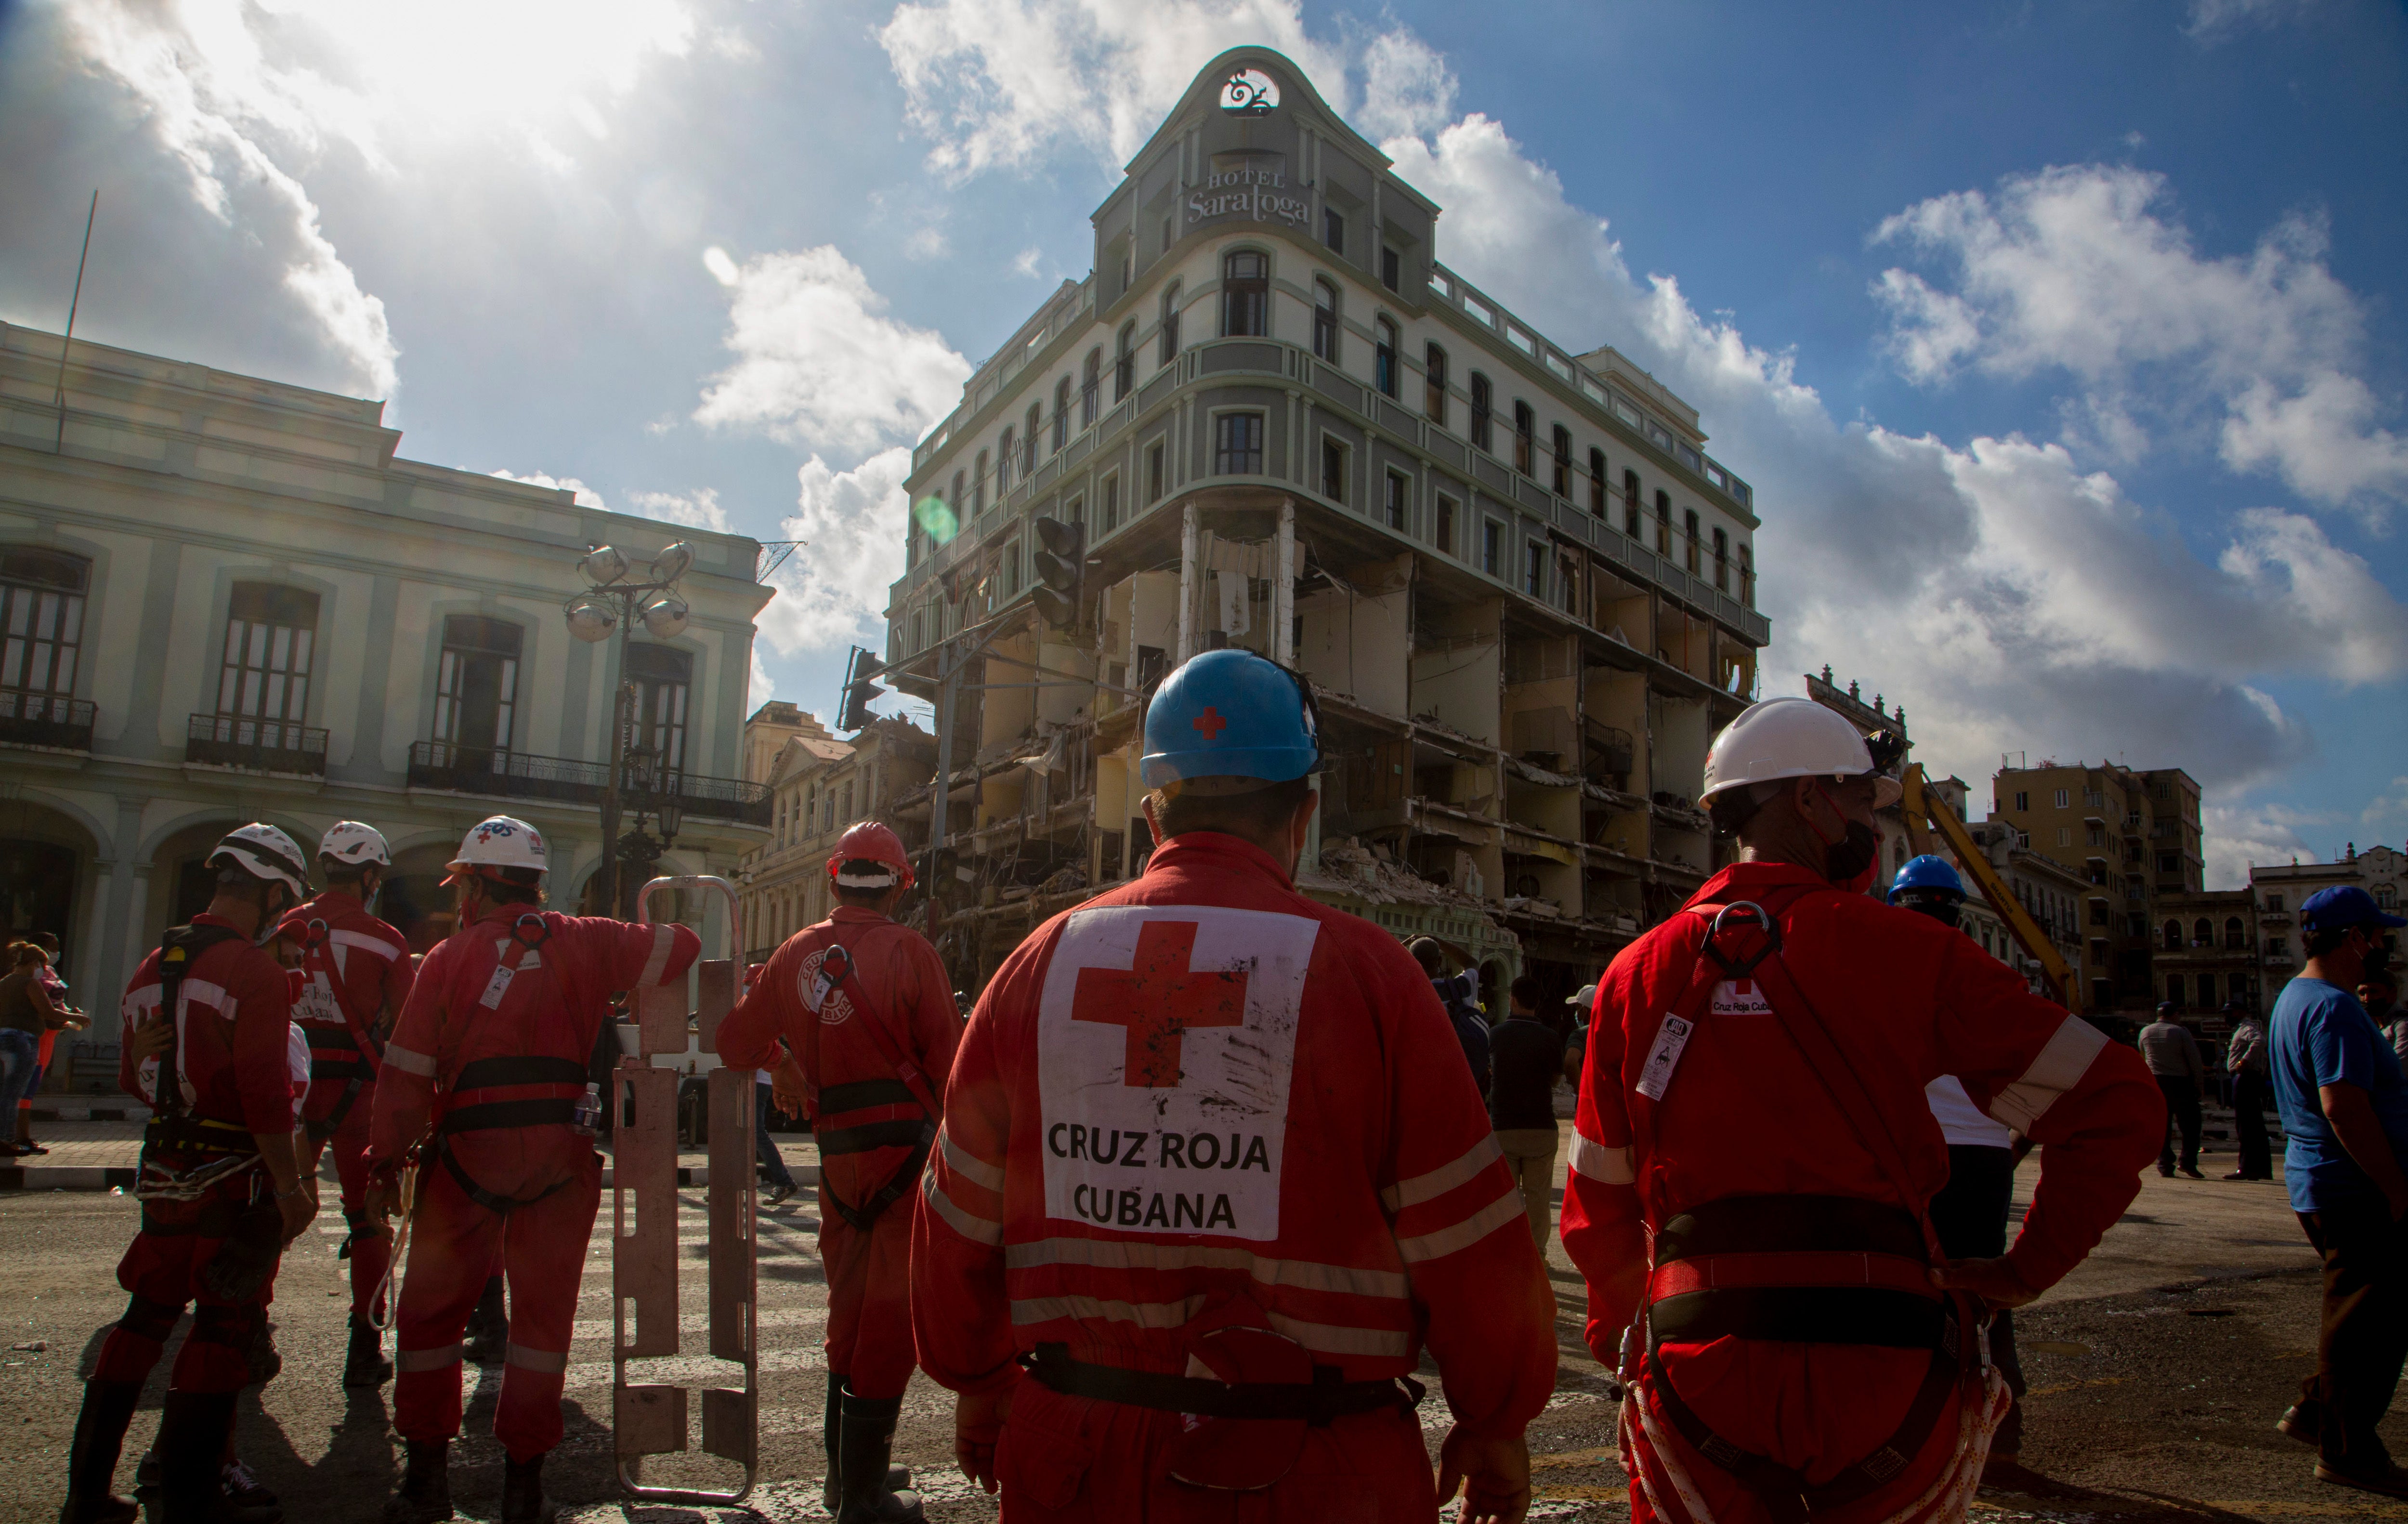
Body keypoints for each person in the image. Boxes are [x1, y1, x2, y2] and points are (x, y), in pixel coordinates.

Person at [915, 649, 1557, 1524]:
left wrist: (980, 1375)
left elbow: (957, 1212)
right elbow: (1466, 1237)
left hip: (1075, 1451)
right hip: (1313, 1466)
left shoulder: (1035, 965)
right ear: (1305, 813)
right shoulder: (1371, 975)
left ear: (1151, 812)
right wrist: (1495, 1417)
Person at [1561, 698, 2160, 1524]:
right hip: (1890, 1369)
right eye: (1859, 802)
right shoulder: (1911, 953)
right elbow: (2116, 1102)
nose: (1866, 825)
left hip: (1700, 1365)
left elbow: (1598, 1200)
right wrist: (2026, 1269)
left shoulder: (1634, 975)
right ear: (1810, 799)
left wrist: (1631, 1338)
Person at [365, 815, 699, 1524]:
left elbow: (404, 1078)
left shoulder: (448, 960)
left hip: (464, 1160)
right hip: (559, 1162)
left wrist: (383, 1165)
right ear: (535, 884)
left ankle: (426, 1483)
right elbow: (683, 947)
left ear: (475, 887)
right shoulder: (585, 940)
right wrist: (619, 941)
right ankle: (525, 1490)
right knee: (540, 1329)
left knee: (429, 1323)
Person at [60, 825, 320, 1524]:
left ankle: (87, 1494)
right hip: (230, 1177)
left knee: (144, 1317)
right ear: (270, 893)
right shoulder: (253, 972)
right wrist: (292, 1187)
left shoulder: (155, 965)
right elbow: (265, 1093)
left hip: (163, 1170)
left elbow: (135, 1078)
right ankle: (192, 1495)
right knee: (221, 1325)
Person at [717, 819, 957, 1523]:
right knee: (889, 1321)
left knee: (848, 1312)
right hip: (906, 1159)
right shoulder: (912, 953)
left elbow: (735, 1041)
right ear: (900, 886)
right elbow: (954, 1070)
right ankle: (862, 1498)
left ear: (833, 879)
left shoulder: (795, 951)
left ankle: (842, 1477)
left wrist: (782, 1062)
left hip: (837, 1162)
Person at [1888, 854, 2030, 1469]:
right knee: (1981, 1290)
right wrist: (2005, 1146)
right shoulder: (1989, 973)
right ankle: (2002, 1427)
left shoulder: (1878, 973)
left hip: (1913, 1151)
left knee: (1909, 1289)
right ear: (1957, 913)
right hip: (1985, 1154)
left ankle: (1916, 1434)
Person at [2266, 884, 2408, 1498]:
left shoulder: (2294, 998)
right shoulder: (2334, 1007)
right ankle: (2347, 1451)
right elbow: (2343, 1105)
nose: (2382, 944)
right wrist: (2395, 1186)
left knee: (2359, 1316)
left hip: (2321, 1181)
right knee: (2370, 1326)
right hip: (2353, 1186)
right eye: (2377, 935)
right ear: (2353, 938)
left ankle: (2317, 1411)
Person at [275, 821, 416, 1389]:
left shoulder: (282, 926)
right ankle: (365, 1343)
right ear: (369, 876)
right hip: (358, 1089)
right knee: (367, 1217)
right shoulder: (385, 938)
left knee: (273, 1211)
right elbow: (407, 1026)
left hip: (290, 1090)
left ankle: (249, 1331)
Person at [1490, 975, 1568, 1251]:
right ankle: (1538, 1256)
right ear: (1537, 1003)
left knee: (1505, 1198)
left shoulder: (1496, 1035)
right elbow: (1556, 1078)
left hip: (1504, 1129)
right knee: (1538, 1198)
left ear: (1512, 1000)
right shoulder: (1550, 1037)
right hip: (1541, 1130)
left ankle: (1509, 1254)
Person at [0, 940, 65, 1152]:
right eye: (42, 966)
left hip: (5, 1038)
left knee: (6, 1091)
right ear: (34, 963)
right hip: (23, 1041)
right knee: (14, 1093)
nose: (43, 970)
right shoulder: (30, 983)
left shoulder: (5, 982)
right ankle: (6, 1140)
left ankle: (7, 1138)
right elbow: (48, 1012)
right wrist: (76, 1018)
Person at [1413, 936, 1492, 1093]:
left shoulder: (1408, 995)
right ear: (1440, 961)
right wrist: (1438, 941)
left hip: (1424, 1081)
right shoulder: (1462, 987)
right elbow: (1472, 963)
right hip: (1460, 1077)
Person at [2141, 1002, 2209, 1179]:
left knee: (2162, 1125)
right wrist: (2200, 1085)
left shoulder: (2145, 1032)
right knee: (2191, 1125)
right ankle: (2187, 1162)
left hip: (2156, 1081)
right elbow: (2194, 1061)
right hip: (2181, 1083)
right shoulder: (2180, 1032)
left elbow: (2142, 1056)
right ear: (2175, 1015)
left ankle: (2164, 1164)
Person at [2225, 1002, 2274, 1182]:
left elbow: (2259, 1041)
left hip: (2245, 1078)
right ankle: (2261, 1169)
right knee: (2255, 1125)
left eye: (2230, 1013)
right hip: (2248, 1078)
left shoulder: (2246, 1028)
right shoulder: (2240, 1029)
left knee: (2245, 1125)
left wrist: (2243, 1061)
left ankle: (2246, 1168)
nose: (2227, 1017)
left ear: (2241, 1012)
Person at [755, 1065, 800, 1207]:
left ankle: (785, 1181)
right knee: (746, 1133)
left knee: (756, 1134)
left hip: (756, 1080)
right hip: (756, 1079)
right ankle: (728, 1187)